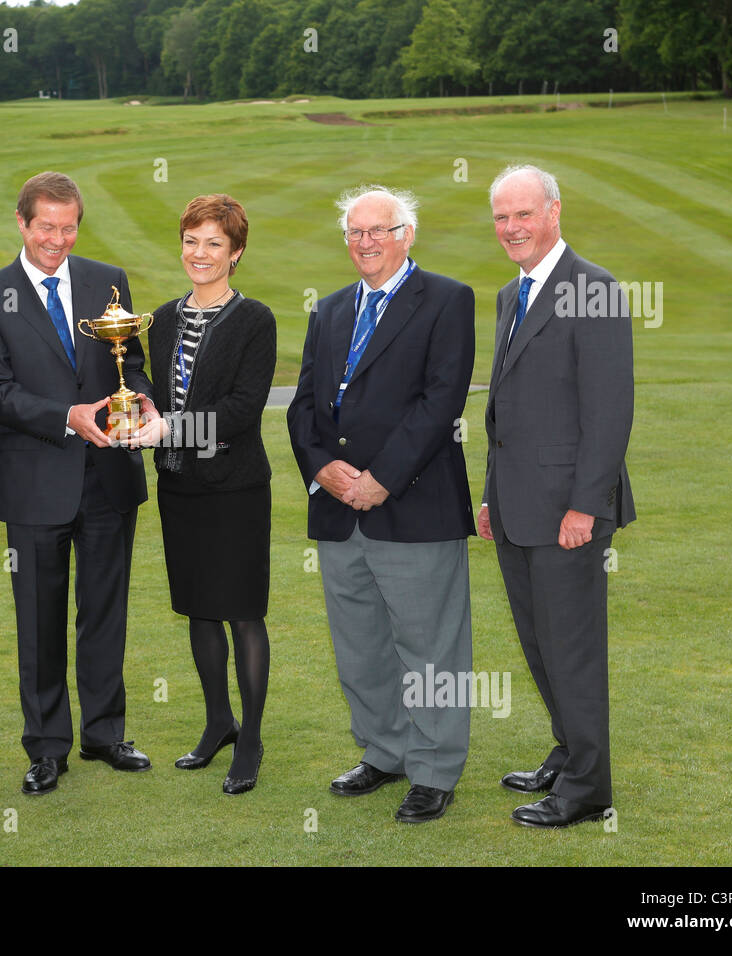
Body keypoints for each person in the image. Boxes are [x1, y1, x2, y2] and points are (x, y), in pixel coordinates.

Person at [0, 171, 158, 795]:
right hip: (35, 486)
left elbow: (133, 366)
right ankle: (47, 747)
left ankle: (105, 734)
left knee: (104, 615)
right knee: (39, 622)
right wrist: (64, 418)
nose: (58, 239)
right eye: (46, 226)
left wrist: (146, 403)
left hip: (109, 479)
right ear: (22, 223)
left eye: (68, 226)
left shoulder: (109, 280)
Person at [286, 185, 476, 823]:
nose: (365, 242)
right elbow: (305, 405)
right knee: (361, 647)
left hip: (413, 508)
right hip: (340, 511)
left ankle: (434, 768)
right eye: (355, 232)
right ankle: (385, 751)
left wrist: (382, 479)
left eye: (379, 230)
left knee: (430, 648)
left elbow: (440, 402)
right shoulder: (331, 309)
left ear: (407, 234)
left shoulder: (447, 300)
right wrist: (323, 469)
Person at [479, 164, 634, 828]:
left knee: (570, 648)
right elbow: (504, 411)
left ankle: (588, 787)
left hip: (567, 510)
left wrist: (585, 506)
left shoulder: (593, 289)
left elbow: (610, 411)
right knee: (540, 643)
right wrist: (488, 497)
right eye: (501, 218)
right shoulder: (510, 295)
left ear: (554, 212)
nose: (511, 228)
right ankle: (570, 751)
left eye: (523, 214)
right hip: (515, 506)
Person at [132, 194, 275, 795]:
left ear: (235, 253)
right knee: (197, 608)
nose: (200, 253)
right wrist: (140, 403)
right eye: (192, 240)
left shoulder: (255, 320)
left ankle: (252, 738)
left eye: (214, 243)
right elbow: (149, 378)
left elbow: (243, 409)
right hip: (180, 486)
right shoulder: (164, 317)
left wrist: (171, 426)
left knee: (242, 612)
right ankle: (218, 722)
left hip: (235, 488)